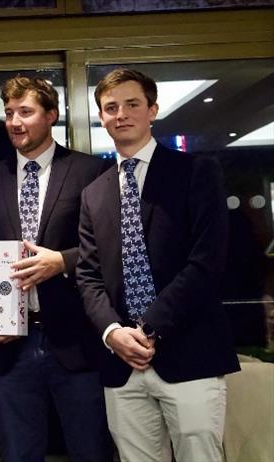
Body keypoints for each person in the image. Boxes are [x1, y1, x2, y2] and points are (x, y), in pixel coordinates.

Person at [77, 68, 240, 462]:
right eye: (110, 107)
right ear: (101, 117)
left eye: (132, 104)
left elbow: (206, 263)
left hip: (190, 352)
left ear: (153, 109)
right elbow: (88, 277)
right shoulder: (93, 194)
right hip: (121, 364)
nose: (121, 114)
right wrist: (114, 333)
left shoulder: (196, 173)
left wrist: (149, 328)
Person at [0, 76, 112, 462]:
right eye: (9, 113)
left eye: (25, 112)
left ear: (51, 115)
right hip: (10, 346)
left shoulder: (90, 172)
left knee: (90, 451)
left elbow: (108, 251)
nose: (14, 121)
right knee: (18, 454)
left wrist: (61, 261)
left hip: (75, 340)